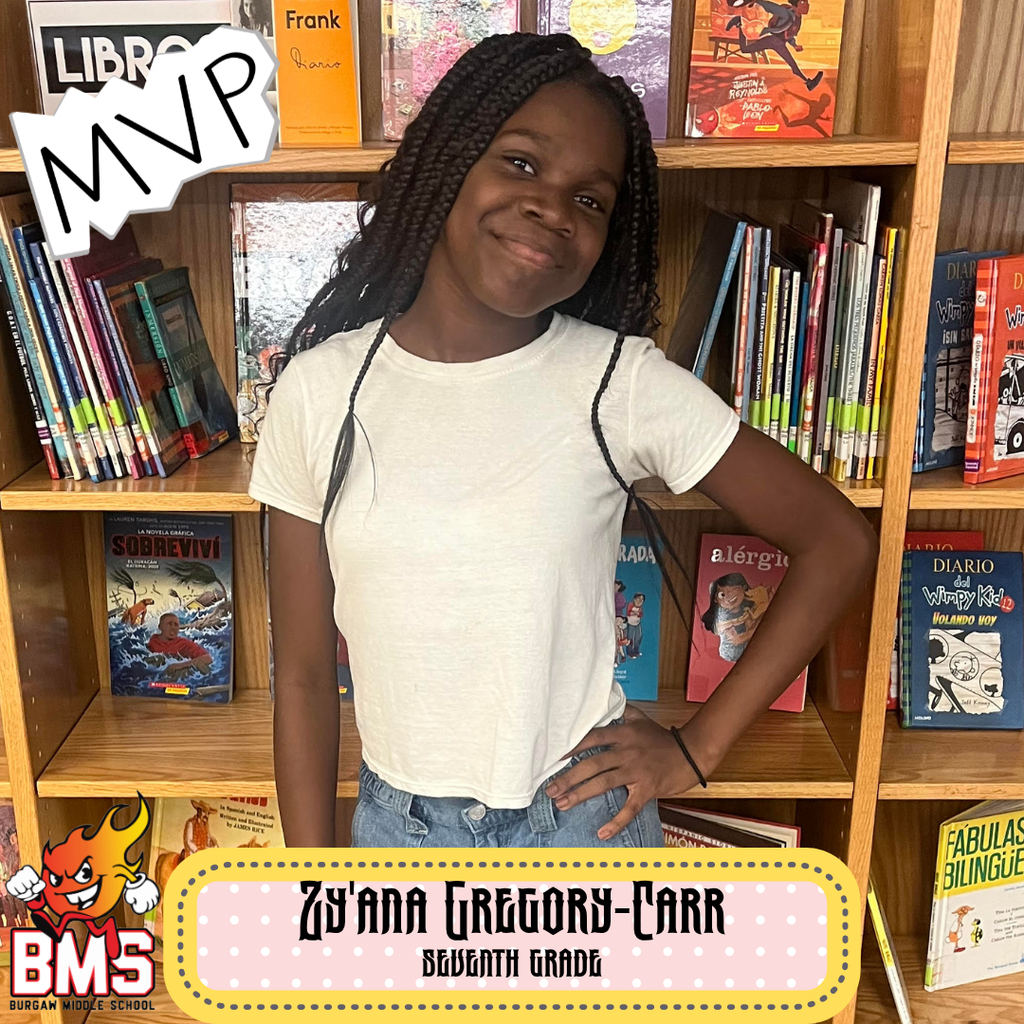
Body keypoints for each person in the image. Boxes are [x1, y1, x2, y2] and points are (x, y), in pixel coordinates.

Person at [252, 32, 876, 849]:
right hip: (398, 832)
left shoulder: (618, 382)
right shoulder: (321, 390)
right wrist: (313, 891)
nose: (552, 205)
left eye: (591, 199)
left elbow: (838, 540)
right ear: (448, 160)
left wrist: (696, 747)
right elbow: (301, 676)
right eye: (519, 163)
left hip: (582, 823)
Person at [700, 573, 772, 662]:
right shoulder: (721, 615)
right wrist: (736, 624)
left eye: (734, 590)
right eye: (722, 594)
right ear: (715, 599)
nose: (729, 596)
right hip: (732, 653)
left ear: (744, 589)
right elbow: (720, 628)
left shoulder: (751, 606)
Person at [147, 613, 213, 680]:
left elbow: (207, 658)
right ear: (160, 627)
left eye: (176, 625)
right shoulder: (153, 640)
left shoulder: (184, 644)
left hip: (181, 676)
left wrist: (180, 665)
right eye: (169, 624)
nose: (173, 628)